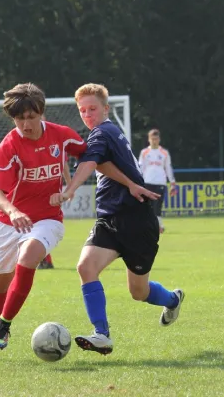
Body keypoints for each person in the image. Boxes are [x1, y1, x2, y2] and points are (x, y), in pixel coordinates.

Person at [50, 83, 185, 355]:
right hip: (109, 219)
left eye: (93, 109)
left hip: (137, 220)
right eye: (83, 110)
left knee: (139, 292)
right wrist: (129, 183)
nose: (87, 114)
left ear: (106, 109)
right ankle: (102, 334)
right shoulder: (104, 136)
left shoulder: (104, 131)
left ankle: (172, 299)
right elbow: (101, 163)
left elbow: (89, 163)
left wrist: (71, 189)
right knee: (85, 267)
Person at [0, 83, 89, 363]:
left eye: (31, 116)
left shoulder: (61, 136)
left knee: (29, 256)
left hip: (48, 219)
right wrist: (13, 211)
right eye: (20, 119)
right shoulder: (9, 146)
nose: (26, 124)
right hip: (8, 222)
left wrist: (71, 186)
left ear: (41, 112)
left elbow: (89, 155)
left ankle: (5, 324)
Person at [138, 129, 177, 233]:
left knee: (157, 205)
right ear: (149, 140)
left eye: (156, 139)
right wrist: (138, 181)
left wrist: (172, 183)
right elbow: (140, 168)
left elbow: (168, 168)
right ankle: (146, 226)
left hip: (160, 182)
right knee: (146, 206)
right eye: (152, 139)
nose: (154, 141)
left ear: (159, 139)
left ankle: (159, 225)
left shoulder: (164, 153)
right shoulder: (144, 152)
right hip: (147, 182)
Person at [38, 155, 72, 270]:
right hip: (32, 191)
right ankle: (44, 260)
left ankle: (45, 260)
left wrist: (69, 186)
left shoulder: (55, 143)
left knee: (38, 224)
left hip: (47, 192)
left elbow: (63, 163)